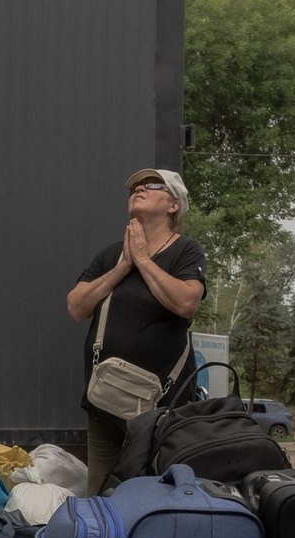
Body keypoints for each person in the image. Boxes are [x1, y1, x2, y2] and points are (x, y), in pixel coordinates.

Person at [66, 168, 207, 495]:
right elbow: (76, 307)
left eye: (151, 185)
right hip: (103, 399)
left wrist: (143, 260)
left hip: (159, 406)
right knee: (99, 494)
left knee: (150, 493)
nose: (139, 189)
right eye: (135, 187)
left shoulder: (186, 251)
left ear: (174, 205)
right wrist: (123, 266)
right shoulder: (111, 255)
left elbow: (186, 303)